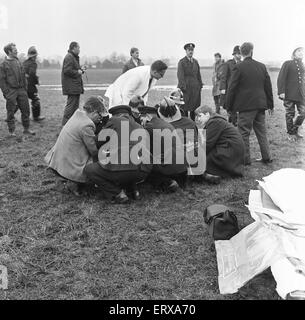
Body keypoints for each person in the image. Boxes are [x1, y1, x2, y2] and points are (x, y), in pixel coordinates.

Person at [84, 105, 152, 204]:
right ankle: (133, 190)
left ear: (116, 115)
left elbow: (98, 142)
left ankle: (117, 193)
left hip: (123, 168)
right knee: (130, 163)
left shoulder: (115, 121)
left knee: (89, 169)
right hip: (144, 171)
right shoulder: (140, 126)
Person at [225, 42, 274, 166]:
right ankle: (267, 157)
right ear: (252, 51)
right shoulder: (262, 66)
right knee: (261, 132)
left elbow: (232, 88)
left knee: (243, 133)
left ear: (241, 53)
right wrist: (270, 105)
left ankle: (245, 160)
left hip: (245, 106)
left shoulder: (238, 67)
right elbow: (268, 87)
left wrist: (228, 106)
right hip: (260, 105)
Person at [45, 96, 105, 195]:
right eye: (100, 114)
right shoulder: (87, 125)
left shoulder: (78, 115)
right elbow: (94, 151)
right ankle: (73, 183)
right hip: (70, 165)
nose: (100, 117)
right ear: (94, 111)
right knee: (97, 167)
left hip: (59, 162)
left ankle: (65, 179)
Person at [138, 104, 188, 192]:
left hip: (168, 169)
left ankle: (167, 182)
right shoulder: (166, 124)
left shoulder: (149, 126)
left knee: (144, 163)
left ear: (148, 116)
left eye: (142, 118)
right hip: (182, 168)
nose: (141, 121)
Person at [195, 106, 245, 183]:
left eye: (200, 116)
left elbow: (207, 145)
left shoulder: (215, 122)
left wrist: (195, 153)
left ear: (207, 114)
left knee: (201, 162)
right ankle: (210, 174)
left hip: (230, 150)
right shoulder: (215, 121)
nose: (198, 119)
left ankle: (212, 174)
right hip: (230, 148)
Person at [157, 97, 203, 176]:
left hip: (179, 165)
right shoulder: (190, 122)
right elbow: (199, 141)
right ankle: (201, 174)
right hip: (197, 161)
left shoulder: (162, 127)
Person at [0, 43, 35, 136]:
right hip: (11, 91)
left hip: (21, 90)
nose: (17, 51)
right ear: (9, 52)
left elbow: (23, 76)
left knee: (26, 110)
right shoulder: (3, 65)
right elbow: (2, 81)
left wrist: (24, 88)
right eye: (14, 50)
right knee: (10, 111)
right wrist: (6, 92)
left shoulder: (18, 62)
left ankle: (26, 129)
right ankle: (12, 131)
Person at [277, 47, 305, 141]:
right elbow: (281, 77)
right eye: (299, 51)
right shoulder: (287, 63)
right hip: (289, 94)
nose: (301, 53)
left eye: (302, 51)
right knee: (290, 114)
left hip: (301, 94)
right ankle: (291, 133)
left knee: (303, 112)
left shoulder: (302, 65)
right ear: (294, 53)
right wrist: (281, 92)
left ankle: (295, 129)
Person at [61, 42, 85, 126]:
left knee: (75, 106)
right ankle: (65, 124)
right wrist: (77, 72)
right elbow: (67, 70)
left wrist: (81, 70)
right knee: (71, 106)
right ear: (74, 48)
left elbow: (72, 69)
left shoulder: (73, 57)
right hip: (72, 86)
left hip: (75, 86)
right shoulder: (69, 57)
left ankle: (72, 124)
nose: (79, 50)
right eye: (78, 48)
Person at [177, 43, 203, 121]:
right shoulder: (182, 62)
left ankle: (193, 123)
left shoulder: (195, 62)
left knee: (194, 107)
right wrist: (183, 87)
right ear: (186, 51)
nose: (191, 52)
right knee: (184, 107)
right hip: (186, 88)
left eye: (192, 50)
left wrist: (200, 85)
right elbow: (180, 75)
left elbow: (198, 74)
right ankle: (185, 123)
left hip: (195, 89)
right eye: (189, 50)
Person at [219, 45, 242, 126]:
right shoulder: (228, 64)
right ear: (234, 54)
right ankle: (233, 120)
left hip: (239, 89)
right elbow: (223, 77)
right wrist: (223, 88)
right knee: (230, 105)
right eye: (238, 53)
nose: (239, 55)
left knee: (237, 104)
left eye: (240, 54)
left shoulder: (243, 64)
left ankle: (234, 119)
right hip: (230, 89)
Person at [23, 46, 45, 121]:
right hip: (30, 85)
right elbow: (32, 73)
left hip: (23, 85)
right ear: (34, 56)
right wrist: (37, 80)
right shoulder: (33, 63)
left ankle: (10, 116)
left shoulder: (25, 62)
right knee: (36, 99)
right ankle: (36, 117)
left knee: (19, 101)